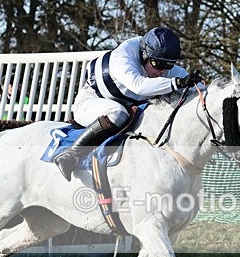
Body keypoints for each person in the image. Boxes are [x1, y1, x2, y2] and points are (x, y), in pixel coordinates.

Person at [53, 27, 203, 181]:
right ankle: (71, 155)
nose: (163, 71)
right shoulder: (122, 56)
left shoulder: (158, 60)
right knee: (118, 113)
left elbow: (192, 84)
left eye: (169, 65)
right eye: (158, 64)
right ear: (145, 55)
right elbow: (139, 86)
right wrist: (178, 82)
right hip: (90, 103)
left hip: (122, 105)